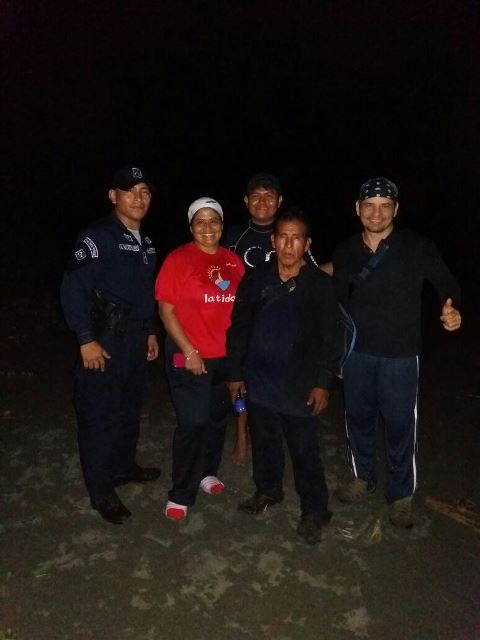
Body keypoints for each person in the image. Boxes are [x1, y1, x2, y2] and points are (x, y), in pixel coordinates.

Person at [332, 177, 462, 528]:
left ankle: (401, 494)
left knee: (401, 426)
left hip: (401, 356)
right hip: (357, 355)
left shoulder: (417, 246)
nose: (376, 213)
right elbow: (338, 305)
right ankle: (362, 477)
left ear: (396, 209)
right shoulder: (345, 251)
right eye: (369, 205)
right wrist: (337, 354)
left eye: (385, 206)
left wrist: (451, 307)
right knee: (357, 419)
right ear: (357, 208)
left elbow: (446, 282)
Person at [226, 208, 342, 545]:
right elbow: (239, 326)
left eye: (296, 238)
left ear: (307, 244)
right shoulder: (256, 278)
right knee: (265, 441)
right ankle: (268, 491)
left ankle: (315, 509)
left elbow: (331, 337)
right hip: (259, 378)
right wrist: (235, 372)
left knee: (304, 449)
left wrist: (323, 383)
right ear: (273, 241)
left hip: (299, 383)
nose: (289, 245)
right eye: (283, 238)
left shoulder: (320, 285)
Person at [60, 165, 161, 525]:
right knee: (99, 416)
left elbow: (145, 294)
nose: (138, 198)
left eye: (145, 191)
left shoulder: (146, 242)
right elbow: (72, 289)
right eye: (130, 190)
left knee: (128, 410)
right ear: (113, 195)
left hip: (134, 341)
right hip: (103, 340)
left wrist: (150, 331)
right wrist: (85, 339)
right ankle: (102, 491)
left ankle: (123, 467)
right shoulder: (97, 236)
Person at [223, 173, 332, 463]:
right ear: (246, 201)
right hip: (248, 313)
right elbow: (219, 272)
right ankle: (242, 436)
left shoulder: (292, 230)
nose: (262, 202)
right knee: (244, 383)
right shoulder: (234, 236)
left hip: (282, 322)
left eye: (269, 196)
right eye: (256, 196)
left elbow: (312, 272)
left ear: (279, 201)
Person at [155, 197, 245, 521]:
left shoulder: (233, 262)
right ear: (191, 226)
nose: (208, 227)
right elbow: (166, 312)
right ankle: (181, 493)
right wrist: (189, 351)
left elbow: (241, 311)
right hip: (189, 356)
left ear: (222, 224)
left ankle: (207, 472)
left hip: (224, 358)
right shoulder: (178, 260)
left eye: (214, 220)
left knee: (217, 419)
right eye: (200, 221)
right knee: (193, 422)